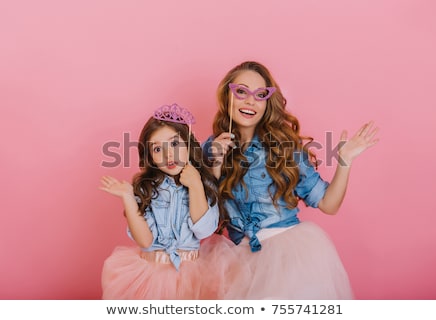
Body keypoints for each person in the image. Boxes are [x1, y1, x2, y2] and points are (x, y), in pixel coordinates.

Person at [203, 61, 379, 299]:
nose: (250, 101)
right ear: (228, 95)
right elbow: (202, 216)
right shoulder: (208, 149)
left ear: (268, 103)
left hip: (288, 256)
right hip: (241, 262)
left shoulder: (283, 149)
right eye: (241, 91)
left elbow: (328, 204)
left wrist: (345, 161)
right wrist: (214, 164)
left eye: (260, 94)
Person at [100, 103, 237, 300]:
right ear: (150, 157)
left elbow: (204, 230)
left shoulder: (204, 182)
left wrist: (196, 185)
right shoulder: (147, 188)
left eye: (174, 144)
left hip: (191, 276)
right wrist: (129, 198)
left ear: (188, 144)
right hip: (150, 274)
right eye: (157, 149)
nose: (168, 155)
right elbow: (145, 241)